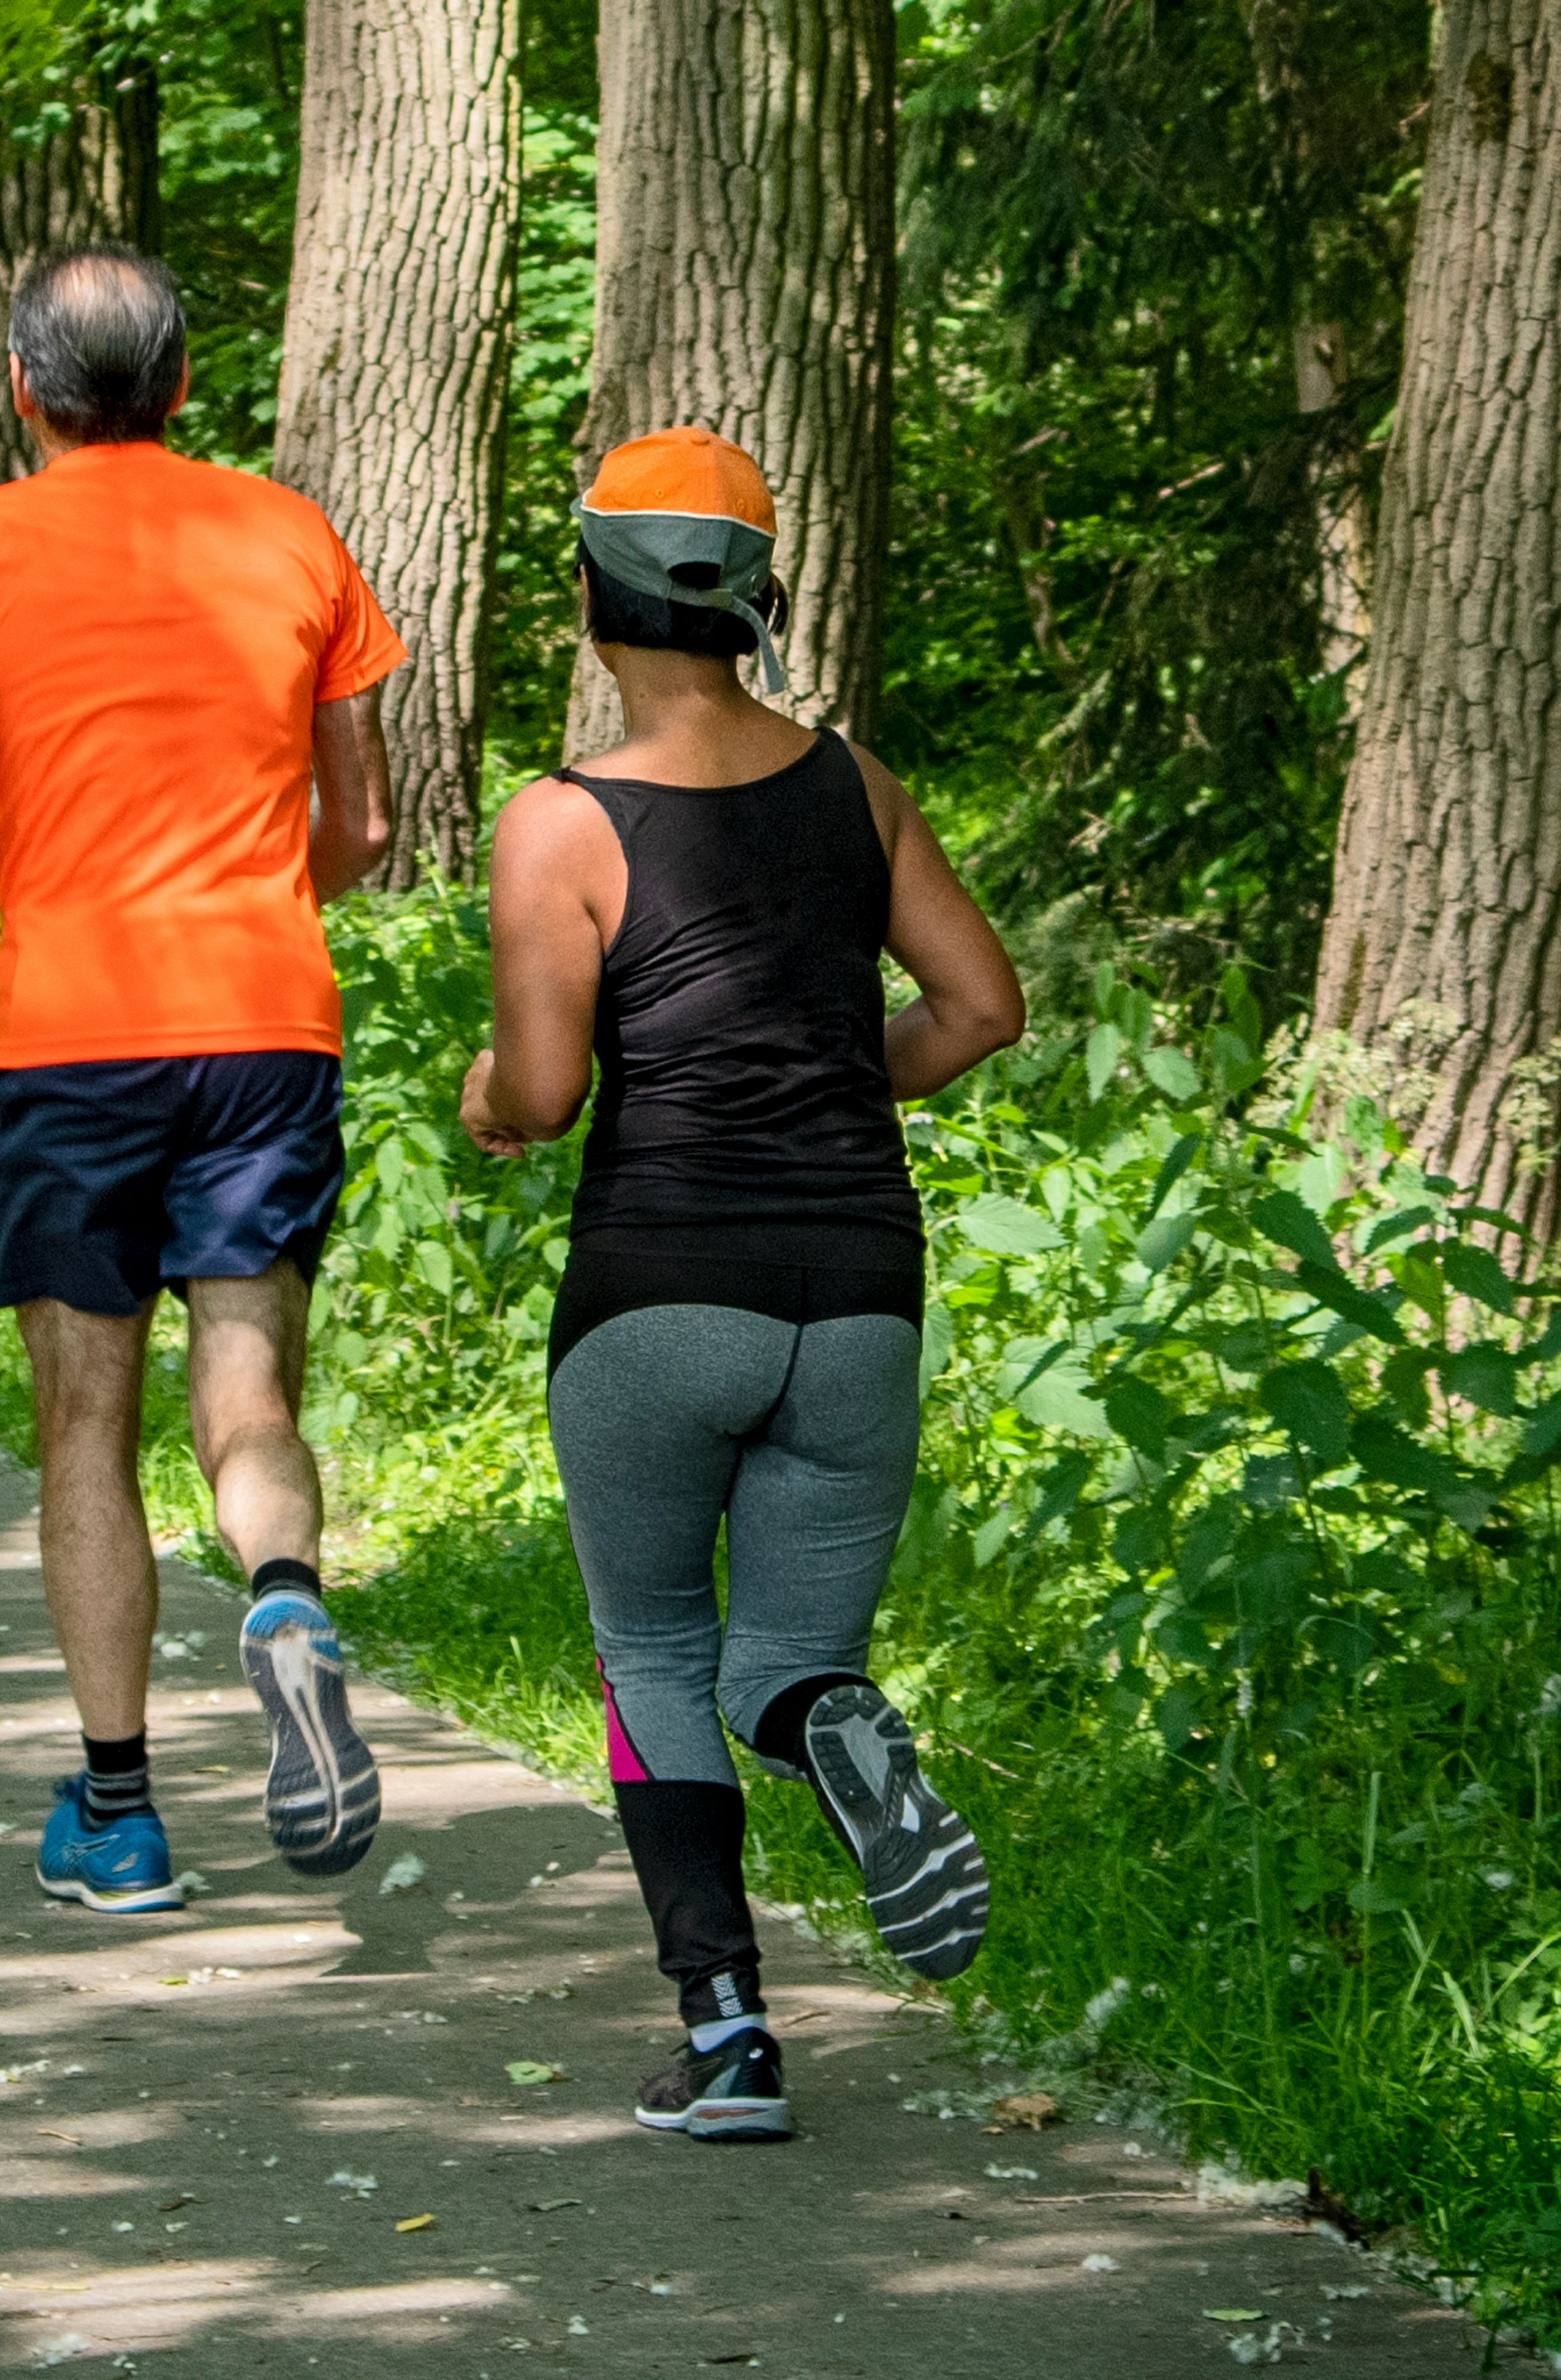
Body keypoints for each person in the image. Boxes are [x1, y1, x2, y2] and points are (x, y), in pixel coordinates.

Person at [460, 427, 1026, 2143]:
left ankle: (726, 2042)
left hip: (659, 1290)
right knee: (779, 1660)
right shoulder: (855, 785)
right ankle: (833, 1720)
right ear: (755, 597)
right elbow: (982, 1008)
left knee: (650, 1652)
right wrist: (831, 1078)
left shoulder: (561, 821)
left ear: (591, 599)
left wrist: (485, 1100)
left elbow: (546, 1094)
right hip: (857, 1292)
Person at [0, 244, 403, 1914]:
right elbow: (358, 827)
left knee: (88, 1422)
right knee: (251, 1386)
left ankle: (122, 1813)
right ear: (179, 386)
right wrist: (259, 911)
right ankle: (286, 1597)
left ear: (21, 387)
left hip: (73, 1042)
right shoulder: (291, 534)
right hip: (263, 1029)